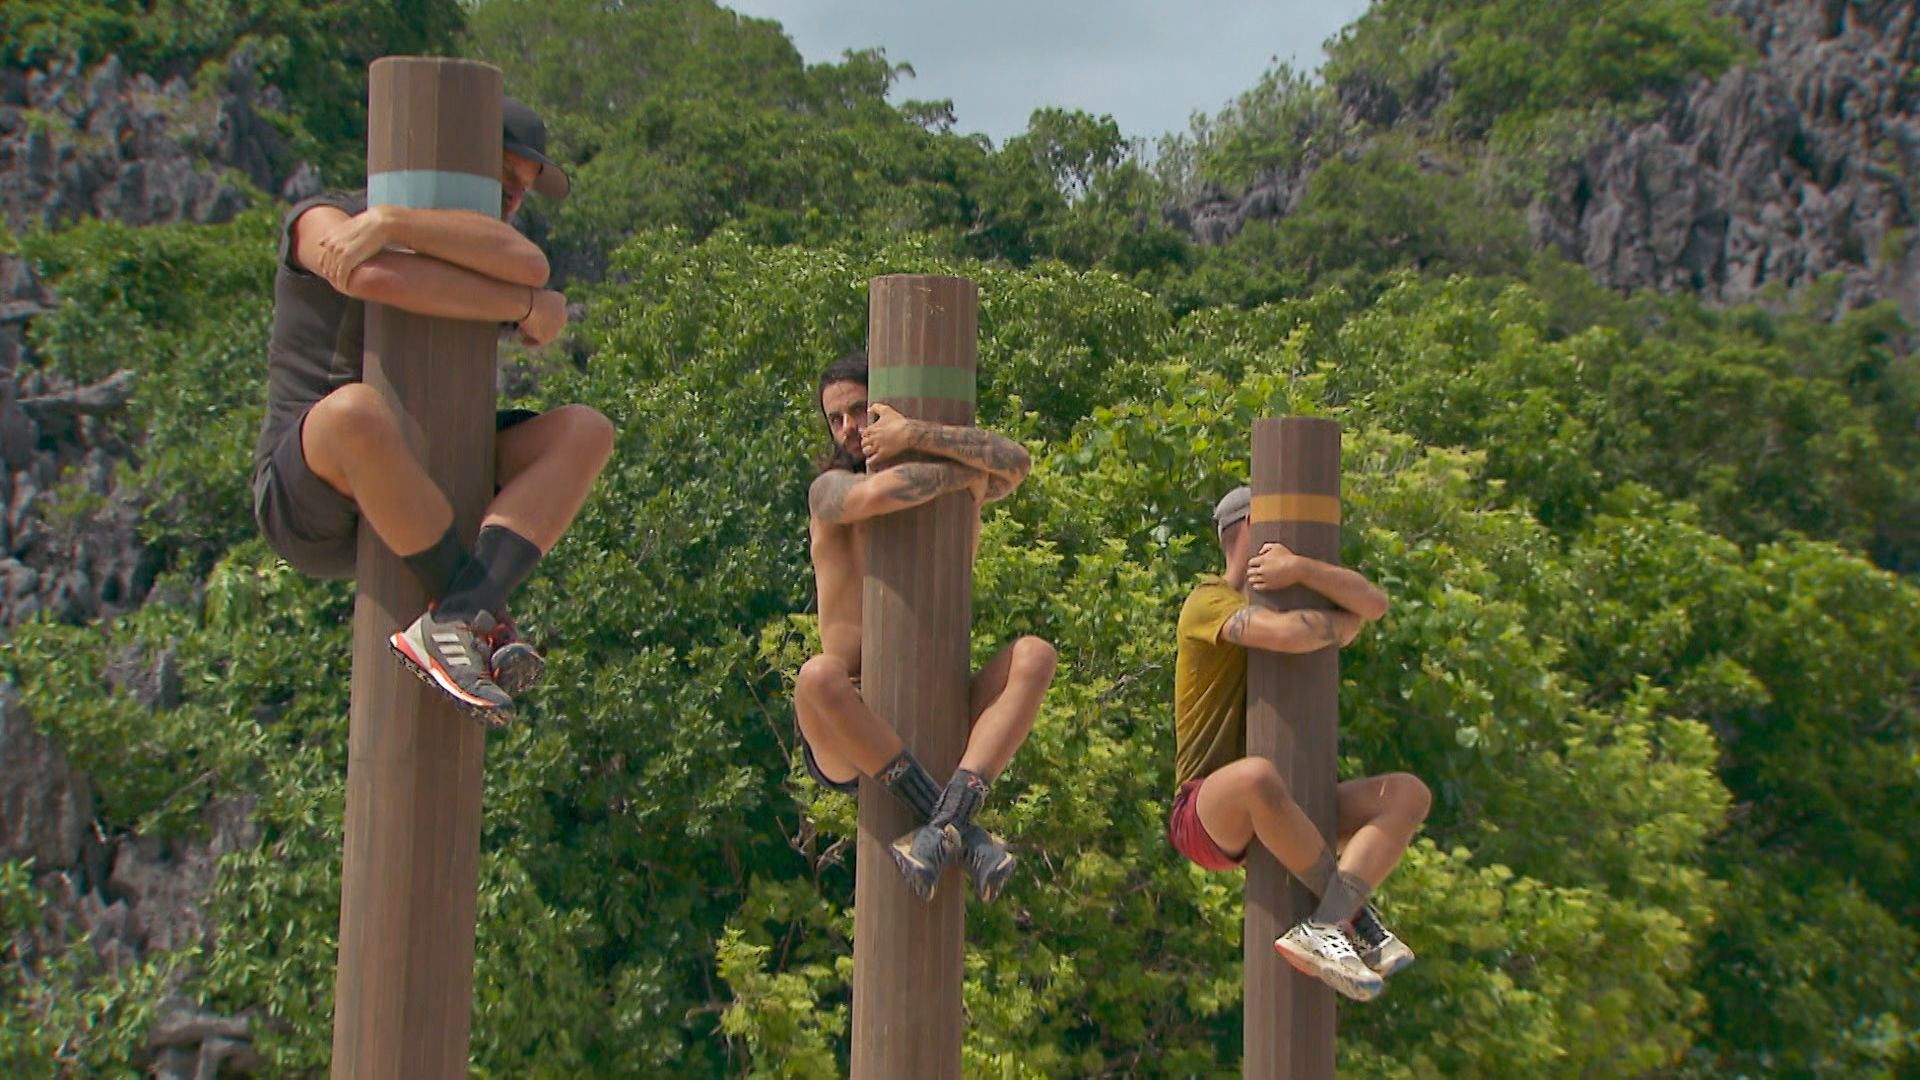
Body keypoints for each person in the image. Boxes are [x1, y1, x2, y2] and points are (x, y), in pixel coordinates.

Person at [253, 97, 614, 724]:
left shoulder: (472, 251)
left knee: (585, 430)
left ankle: (457, 616)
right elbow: (362, 276)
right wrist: (523, 304)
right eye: (502, 177)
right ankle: (483, 621)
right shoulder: (322, 214)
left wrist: (397, 226)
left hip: (432, 468)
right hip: (311, 483)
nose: (511, 199)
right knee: (357, 411)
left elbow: (529, 262)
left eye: (521, 190)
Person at [793, 351, 1056, 902]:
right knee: (816, 676)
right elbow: (874, 495)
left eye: (860, 411)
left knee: (1034, 655)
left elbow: (1018, 459)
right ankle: (962, 828)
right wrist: (968, 473)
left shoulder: (945, 485)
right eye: (835, 419)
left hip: (937, 690)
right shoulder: (828, 493)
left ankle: (943, 826)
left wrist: (917, 434)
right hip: (852, 711)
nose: (848, 429)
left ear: (886, 408)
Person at [1169, 485, 1431, 1001]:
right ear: (1249, 531)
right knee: (1256, 775)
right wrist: (1340, 623)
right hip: (1206, 809)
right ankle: (1360, 920)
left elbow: (1374, 605)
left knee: (1406, 794)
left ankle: (1329, 924)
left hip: (1288, 809)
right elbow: (1286, 634)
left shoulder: (1297, 574)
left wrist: (1303, 572)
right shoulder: (1206, 601)